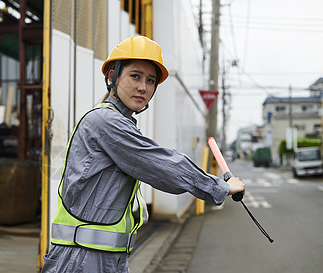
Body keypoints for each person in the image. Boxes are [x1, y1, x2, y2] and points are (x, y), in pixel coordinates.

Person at [41, 36, 245, 273]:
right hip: (81, 260)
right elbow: (160, 164)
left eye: (151, 80)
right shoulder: (105, 122)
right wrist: (220, 186)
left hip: (105, 258)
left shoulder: (120, 123)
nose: (143, 87)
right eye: (135, 76)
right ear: (112, 76)